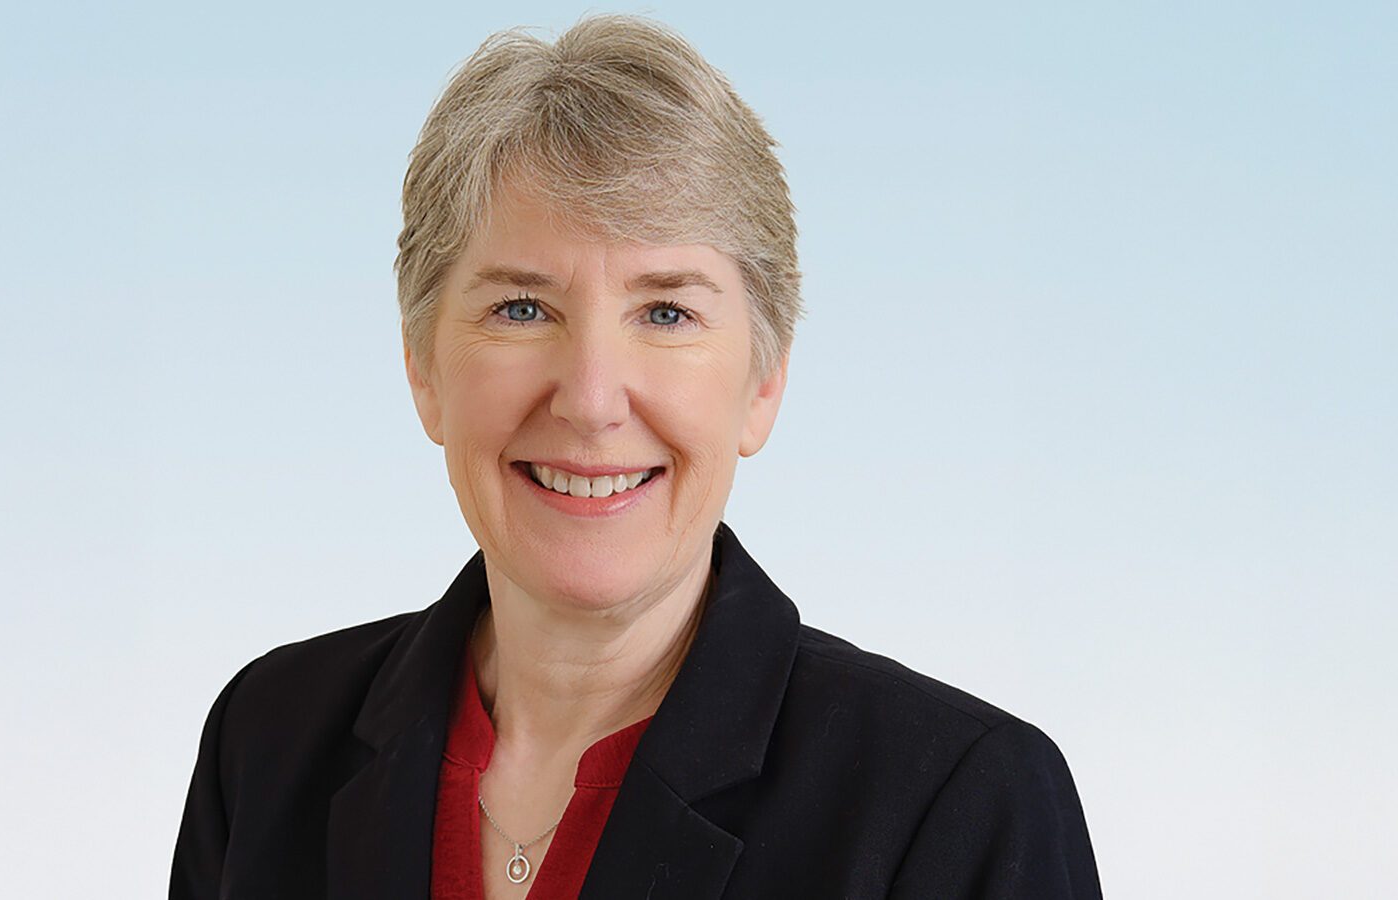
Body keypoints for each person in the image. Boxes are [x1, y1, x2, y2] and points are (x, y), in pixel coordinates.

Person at [170, 13, 1101, 899]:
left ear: (764, 380)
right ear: (423, 368)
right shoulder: (265, 743)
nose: (589, 399)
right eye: (521, 308)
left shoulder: (962, 807)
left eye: (666, 312)